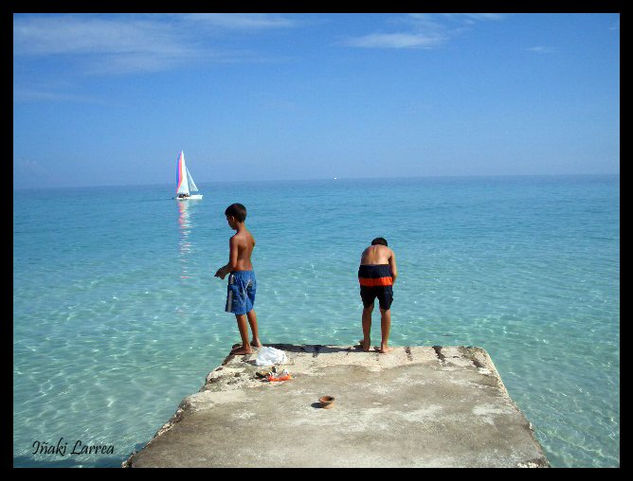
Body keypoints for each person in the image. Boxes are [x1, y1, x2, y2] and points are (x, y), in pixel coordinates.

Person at [214, 203, 262, 355]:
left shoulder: (235, 239)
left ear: (233, 218)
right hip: (251, 275)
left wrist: (223, 272)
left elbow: (233, 263)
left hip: (239, 277)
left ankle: (246, 346)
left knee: (239, 311)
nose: (228, 223)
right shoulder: (250, 237)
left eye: (228, 220)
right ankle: (256, 340)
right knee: (249, 308)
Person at [358, 237, 398, 353]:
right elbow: (394, 273)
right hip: (382, 274)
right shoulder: (388, 250)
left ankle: (366, 343)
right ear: (385, 245)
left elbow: (362, 266)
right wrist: (390, 286)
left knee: (367, 308)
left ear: (373, 245)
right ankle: (384, 345)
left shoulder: (366, 250)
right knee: (385, 309)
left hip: (365, 274)